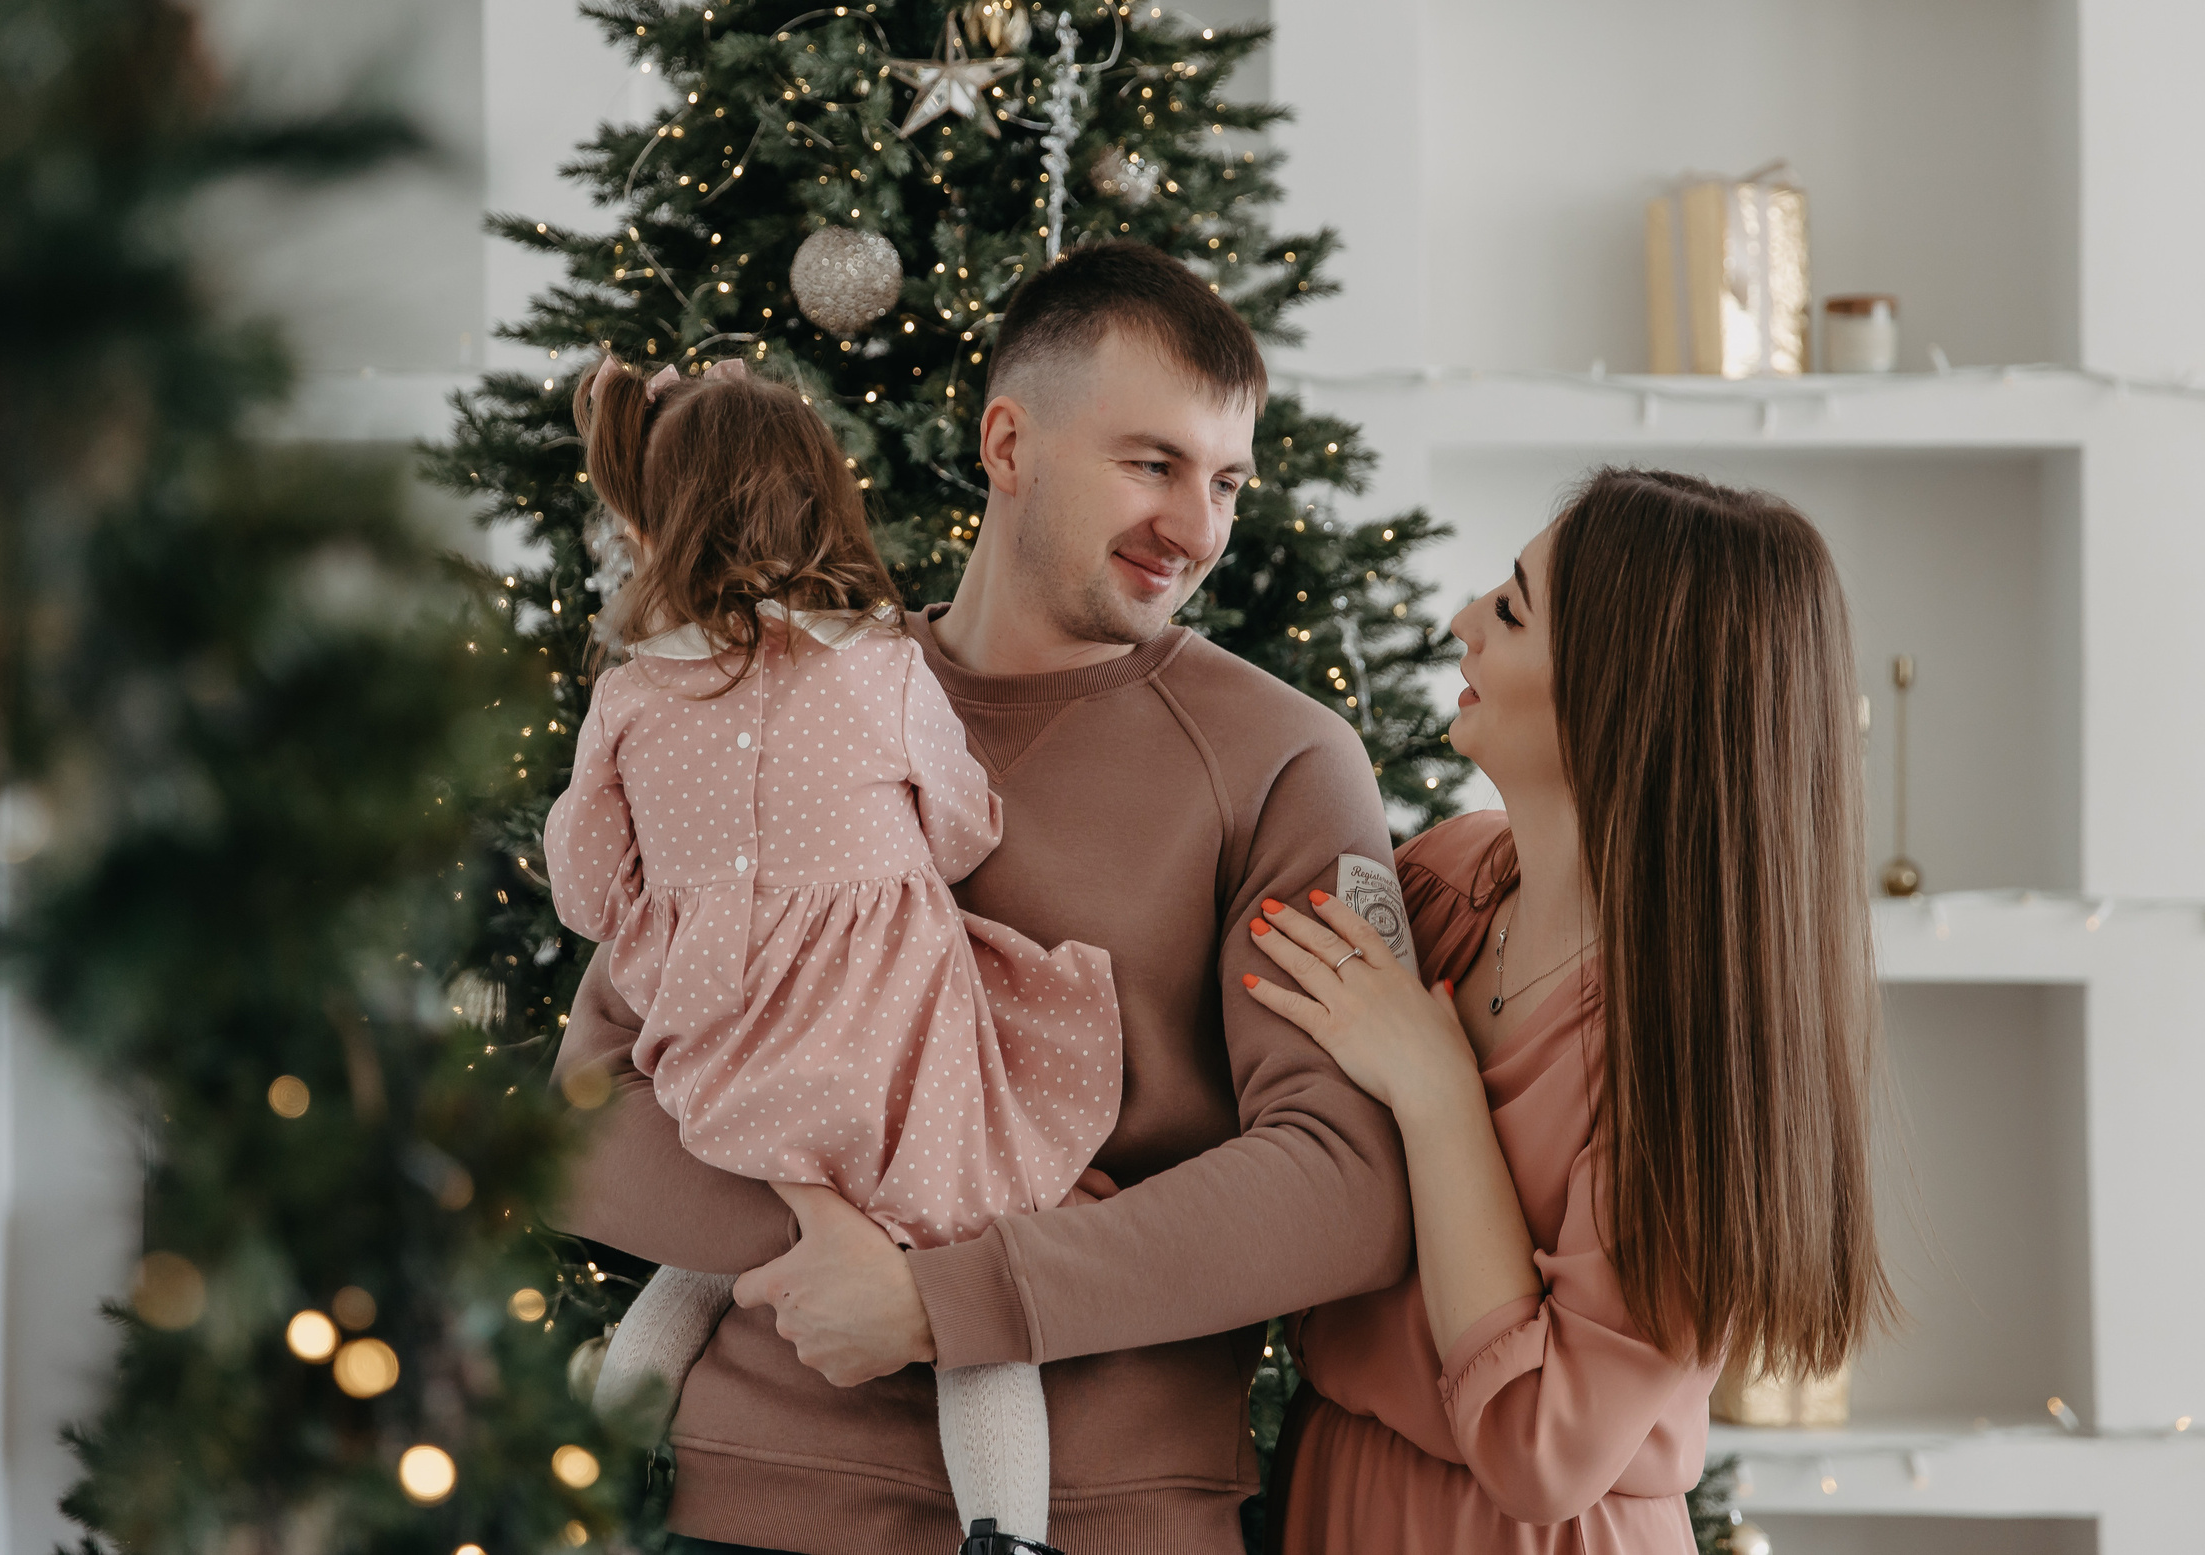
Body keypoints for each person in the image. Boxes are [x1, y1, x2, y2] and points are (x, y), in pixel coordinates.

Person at [547, 241, 1413, 1555]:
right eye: (1152, 463)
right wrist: (836, 1238)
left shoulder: (1282, 759)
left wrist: (947, 1295)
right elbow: (588, 1111)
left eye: (1227, 479)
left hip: (1098, 1520)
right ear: (1010, 443)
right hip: (741, 1507)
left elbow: (1345, 1182)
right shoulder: (771, 697)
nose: (1200, 526)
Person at [1241, 468, 1892, 1553]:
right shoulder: (1439, 887)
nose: (1458, 624)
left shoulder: (1687, 1059)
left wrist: (1439, 1091)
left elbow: (1540, 1450)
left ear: (1623, 686)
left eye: (1507, 609)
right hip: (1334, 1493)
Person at [542, 352, 1124, 1554]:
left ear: (656, 510)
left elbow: (587, 895)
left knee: (698, 1266)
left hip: (725, 1048)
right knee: (967, 1269)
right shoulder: (881, 664)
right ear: (821, 492)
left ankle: (588, 1478)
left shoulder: (632, 697)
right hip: (886, 1040)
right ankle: (1004, 1535)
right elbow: (964, 829)